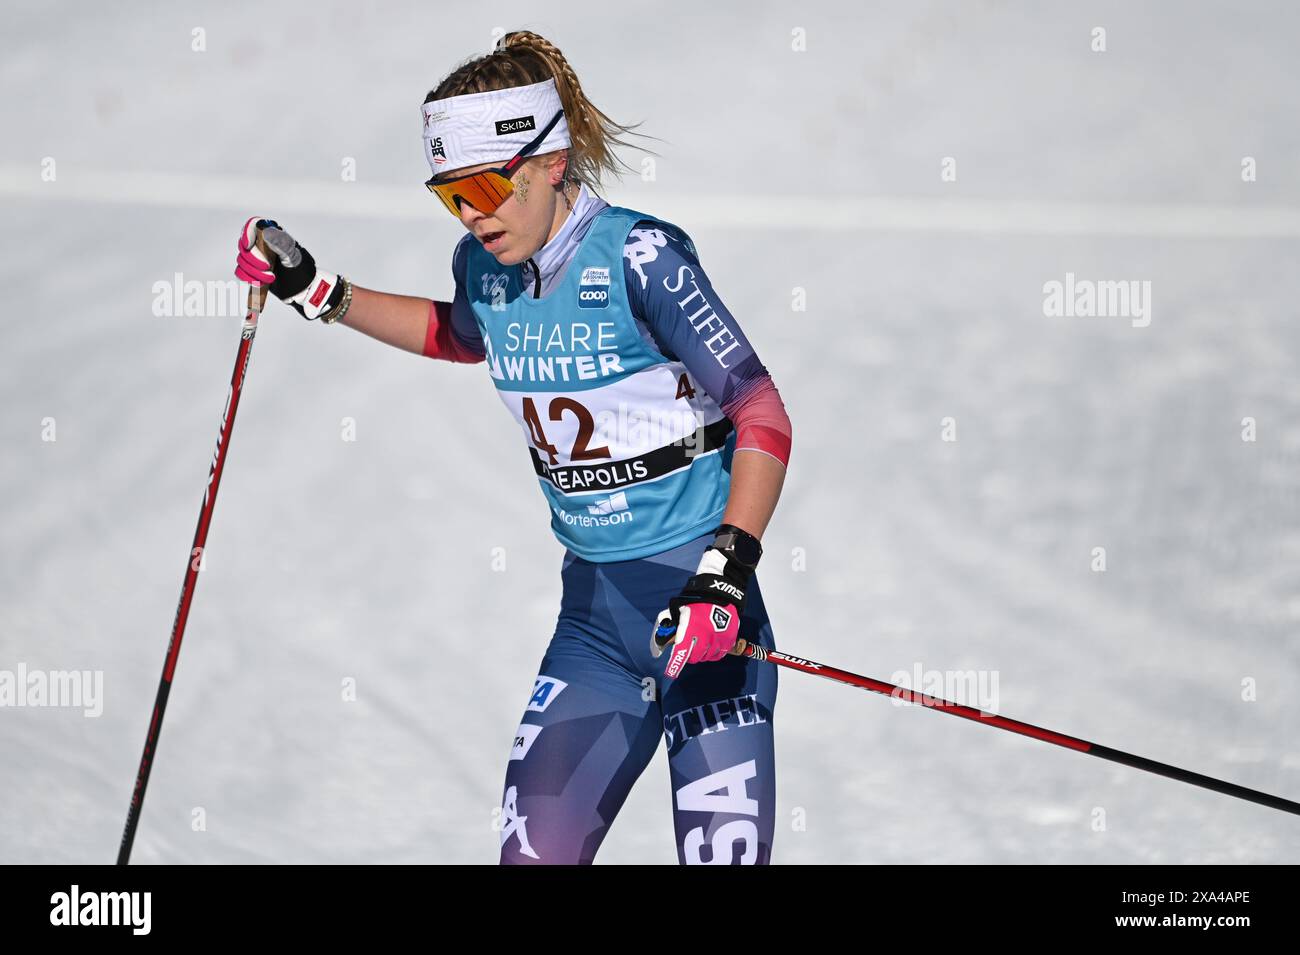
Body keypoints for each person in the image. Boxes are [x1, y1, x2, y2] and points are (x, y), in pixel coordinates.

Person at [234, 30, 793, 865]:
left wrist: (725, 572)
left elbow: (762, 410)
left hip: (707, 621)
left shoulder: (642, 257)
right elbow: (460, 335)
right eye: (450, 196)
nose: (473, 214)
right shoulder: (484, 266)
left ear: (552, 161)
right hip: (597, 627)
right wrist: (321, 291)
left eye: (488, 186)